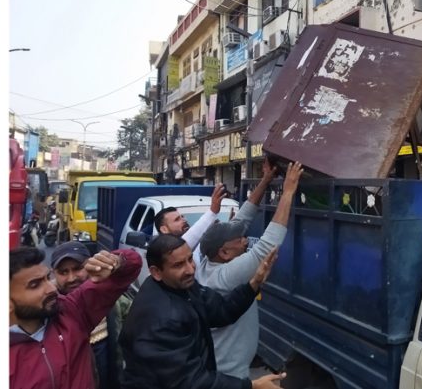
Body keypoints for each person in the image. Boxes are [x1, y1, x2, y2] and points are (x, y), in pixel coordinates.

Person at [119, 235, 286, 389]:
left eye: (190, 259)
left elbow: (220, 310)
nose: (191, 269)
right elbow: (190, 382)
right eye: (178, 265)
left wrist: (253, 284)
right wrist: (251, 386)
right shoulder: (163, 319)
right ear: (156, 272)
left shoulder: (181, 286)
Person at [195, 161, 303, 378]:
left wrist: (265, 180)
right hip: (229, 373)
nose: (245, 241)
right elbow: (268, 243)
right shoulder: (226, 276)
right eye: (240, 240)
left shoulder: (207, 261)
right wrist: (288, 190)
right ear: (224, 252)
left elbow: (241, 220)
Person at [9, 245, 141, 389]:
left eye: (47, 278)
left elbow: (132, 265)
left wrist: (115, 261)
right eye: (35, 285)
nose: (51, 288)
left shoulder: (71, 312)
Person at [51, 241, 132, 389]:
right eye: (63, 272)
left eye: (78, 269)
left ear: (90, 265)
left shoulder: (111, 298)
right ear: (53, 273)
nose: (71, 278)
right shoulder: (48, 309)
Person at [141, 183, 228, 264]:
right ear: (164, 229)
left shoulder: (195, 243)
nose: (184, 220)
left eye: (182, 217)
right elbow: (190, 238)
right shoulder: (164, 251)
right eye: (177, 219)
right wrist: (212, 211)